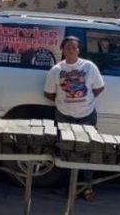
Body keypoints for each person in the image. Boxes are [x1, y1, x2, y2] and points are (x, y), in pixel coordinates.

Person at [43, 36, 105, 201]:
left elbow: (99, 88)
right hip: (64, 116)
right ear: (62, 50)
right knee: (65, 151)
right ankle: (66, 188)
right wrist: (64, 101)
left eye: (74, 47)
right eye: (68, 47)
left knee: (87, 151)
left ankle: (87, 188)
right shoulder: (56, 70)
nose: (71, 50)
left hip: (87, 116)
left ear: (78, 50)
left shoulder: (89, 67)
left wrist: (84, 101)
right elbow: (48, 93)